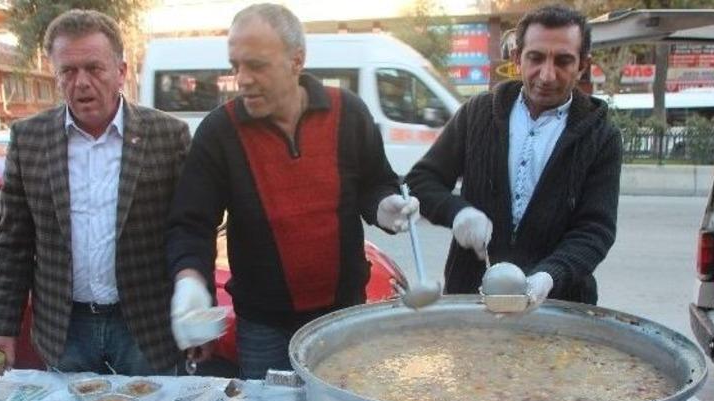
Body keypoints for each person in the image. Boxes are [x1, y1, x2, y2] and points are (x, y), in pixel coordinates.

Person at [166, 3, 417, 380]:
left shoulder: (347, 112)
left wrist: (385, 206)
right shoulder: (220, 132)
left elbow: (374, 182)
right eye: (236, 66)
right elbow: (192, 222)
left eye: (257, 65)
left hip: (342, 314)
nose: (242, 78)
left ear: (296, 60)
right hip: (264, 326)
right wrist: (189, 282)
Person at [0, 9, 191, 379]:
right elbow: (14, 242)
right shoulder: (30, 138)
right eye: (68, 72)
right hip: (65, 329)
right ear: (56, 74)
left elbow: (187, 229)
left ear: (121, 72)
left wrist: (191, 307)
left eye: (94, 68)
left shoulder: (167, 135)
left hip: (144, 327)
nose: (82, 83)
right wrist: (1, 328)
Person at [406, 4, 622, 307]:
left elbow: (595, 231)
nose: (547, 75)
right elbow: (422, 181)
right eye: (535, 58)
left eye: (563, 61)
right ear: (516, 57)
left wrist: (549, 275)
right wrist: (459, 212)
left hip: (558, 303)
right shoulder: (477, 114)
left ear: (583, 65)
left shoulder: (602, 137)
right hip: (472, 297)